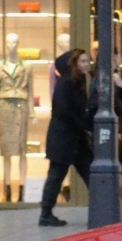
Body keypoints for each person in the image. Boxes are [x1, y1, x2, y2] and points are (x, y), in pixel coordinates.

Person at [39, 50, 93, 227]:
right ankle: (46, 213)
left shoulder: (77, 82)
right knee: (56, 175)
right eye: (83, 61)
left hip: (75, 138)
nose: (87, 64)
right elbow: (64, 111)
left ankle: (103, 206)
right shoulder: (66, 83)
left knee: (90, 172)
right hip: (63, 138)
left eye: (88, 61)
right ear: (75, 63)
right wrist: (83, 124)